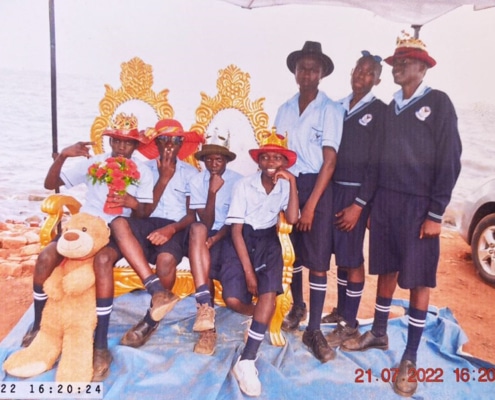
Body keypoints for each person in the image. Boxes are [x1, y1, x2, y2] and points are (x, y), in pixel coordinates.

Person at [340, 33, 462, 398]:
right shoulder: (389, 108)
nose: (397, 69)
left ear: (423, 68)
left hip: (420, 205)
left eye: (405, 63)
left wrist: (436, 212)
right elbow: (375, 162)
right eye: (395, 63)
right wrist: (371, 204)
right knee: (387, 269)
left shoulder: (438, 103)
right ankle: (378, 332)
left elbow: (450, 159)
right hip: (387, 204)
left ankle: (409, 356)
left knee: (419, 277)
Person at [21, 113, 155, 381]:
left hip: (117, 231)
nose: (121, 148)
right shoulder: (95, 163)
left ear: (135, 146)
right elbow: (50, 185)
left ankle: (101, 344)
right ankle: (38, 324)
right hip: (84, 227)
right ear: (109, 141)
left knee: (103, 261)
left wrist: (132, 203)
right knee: (46, 256)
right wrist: (63, 156)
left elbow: (146, 213)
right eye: (116, 141)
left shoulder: (144, 171)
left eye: (127, 143)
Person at [276, 40, 344, 362]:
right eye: (302, 67)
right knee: (294, 254)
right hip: (290, 184)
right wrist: (284, 194)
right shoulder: (284, 109)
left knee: (317, 261)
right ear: (295, 72)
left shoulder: (330, 109)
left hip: (318, 186)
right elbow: (278, 155)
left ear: (321, 74)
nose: (307, 73)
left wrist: (311, 205)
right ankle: (298, 306)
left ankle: (313, 329)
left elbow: (329, 162)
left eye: (313, 69)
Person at [110, 118, 199, 348]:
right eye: (164, 140)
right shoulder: (142, 169)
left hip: (175, 226)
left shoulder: (191, 173)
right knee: (119, 223)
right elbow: (137, 211)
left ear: (181, 144)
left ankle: (151, 318)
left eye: (175, 140)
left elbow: (191, 216)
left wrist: (170, 229)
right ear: (156, 143)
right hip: (145, 221)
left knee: (166, 260)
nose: (169, 144)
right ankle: (154, 290)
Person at [226, 130, 299, 397]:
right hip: (242, 239)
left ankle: (247, 360)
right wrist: (248, 273)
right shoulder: (244, 185)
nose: (270, 162)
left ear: (284, 164)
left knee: (269, 291)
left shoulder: (284, 185)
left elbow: (291, 218)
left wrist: (292, 184)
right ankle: (258, 318)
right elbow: (235, 231)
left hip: (268, 240)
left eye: (276, 158)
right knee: (232, 299)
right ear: (258, 162)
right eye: (265, 157)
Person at [321, 51, 386, 348]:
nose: (361, 76)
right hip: (333, 189)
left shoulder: (380, 112)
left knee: (353, 257)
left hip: (355, 195)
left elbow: (377, 164)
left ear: (377, 79)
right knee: (339, 255)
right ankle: (340, 311)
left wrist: (360, 205)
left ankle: (350, 323)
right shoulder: (337, 107)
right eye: (358, 70)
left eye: (368, 72)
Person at [188, 138, 247, 355]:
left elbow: (234, 221)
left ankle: (257, 317)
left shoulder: (238, 182)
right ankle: (208, 330)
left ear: (226, 161)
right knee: (205, 261)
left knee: (233, 292)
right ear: (203, 161)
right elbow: (205, 222)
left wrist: (216, 239)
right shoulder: (196, 181)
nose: (214, 163)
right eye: (209, 159)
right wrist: (211, 192)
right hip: (206, 232)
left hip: (231, 234)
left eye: (219, 159)